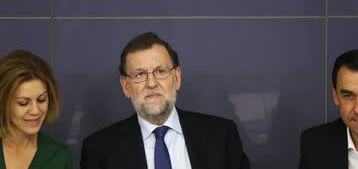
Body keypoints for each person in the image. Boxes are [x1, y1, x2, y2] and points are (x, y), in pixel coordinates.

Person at [81, 31, 250, 169]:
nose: (152, 83)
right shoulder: (99, 150)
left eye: (160, 71)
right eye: (140, 74)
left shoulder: (221, 136)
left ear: (176, 78)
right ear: (126, 86)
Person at [0, 50, 73, 169]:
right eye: (23, 103)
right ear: (2, 103)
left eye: (41, 100)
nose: (35, 111)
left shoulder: (60, 157)